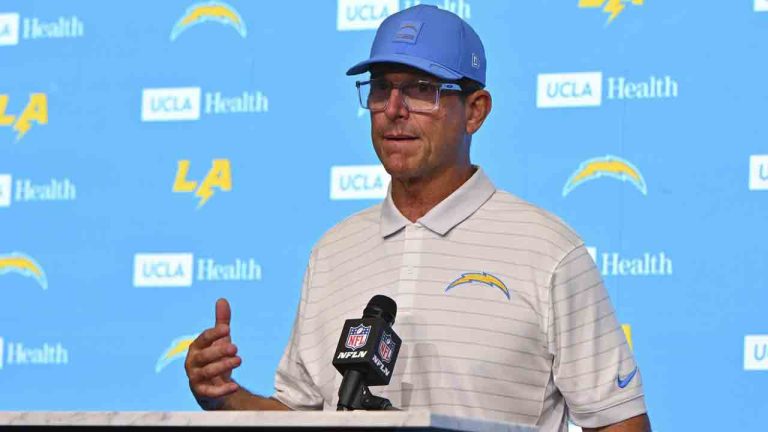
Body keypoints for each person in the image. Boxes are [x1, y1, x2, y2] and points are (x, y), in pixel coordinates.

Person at [184, 5, 651, 431]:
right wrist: (225, 397)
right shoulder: (332, 251)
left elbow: (619, 422)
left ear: (475, 111)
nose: (393, 109)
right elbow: (303, 419)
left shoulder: (549, 250)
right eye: (382, 88)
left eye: (421, 90)